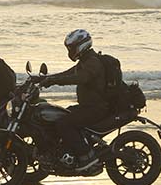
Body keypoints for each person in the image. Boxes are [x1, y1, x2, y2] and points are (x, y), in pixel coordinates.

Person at [39, 29, 110, 169]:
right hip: (88, 106)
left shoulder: (92, 62)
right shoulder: (85, 60)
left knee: (65, 123)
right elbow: (68, 73)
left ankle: (86, 156)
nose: (70, 51)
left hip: (96, 108)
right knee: (60, 115)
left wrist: (54, 81)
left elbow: (79, 77)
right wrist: (46, 78)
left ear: (81, 45)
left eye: (71, 48)